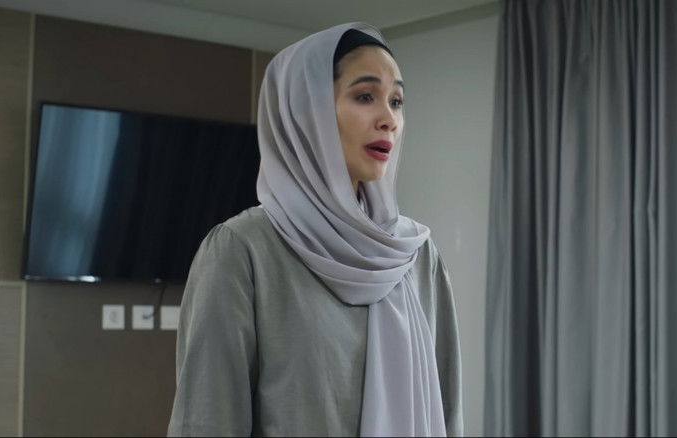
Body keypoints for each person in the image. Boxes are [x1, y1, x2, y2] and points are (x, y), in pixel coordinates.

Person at [167, 22, 463, 437]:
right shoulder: (244, 251)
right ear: (306, 112)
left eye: (396, 101)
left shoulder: (415, 254)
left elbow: (447, 412)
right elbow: (208, 421)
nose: (389, 120)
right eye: (365, 96)